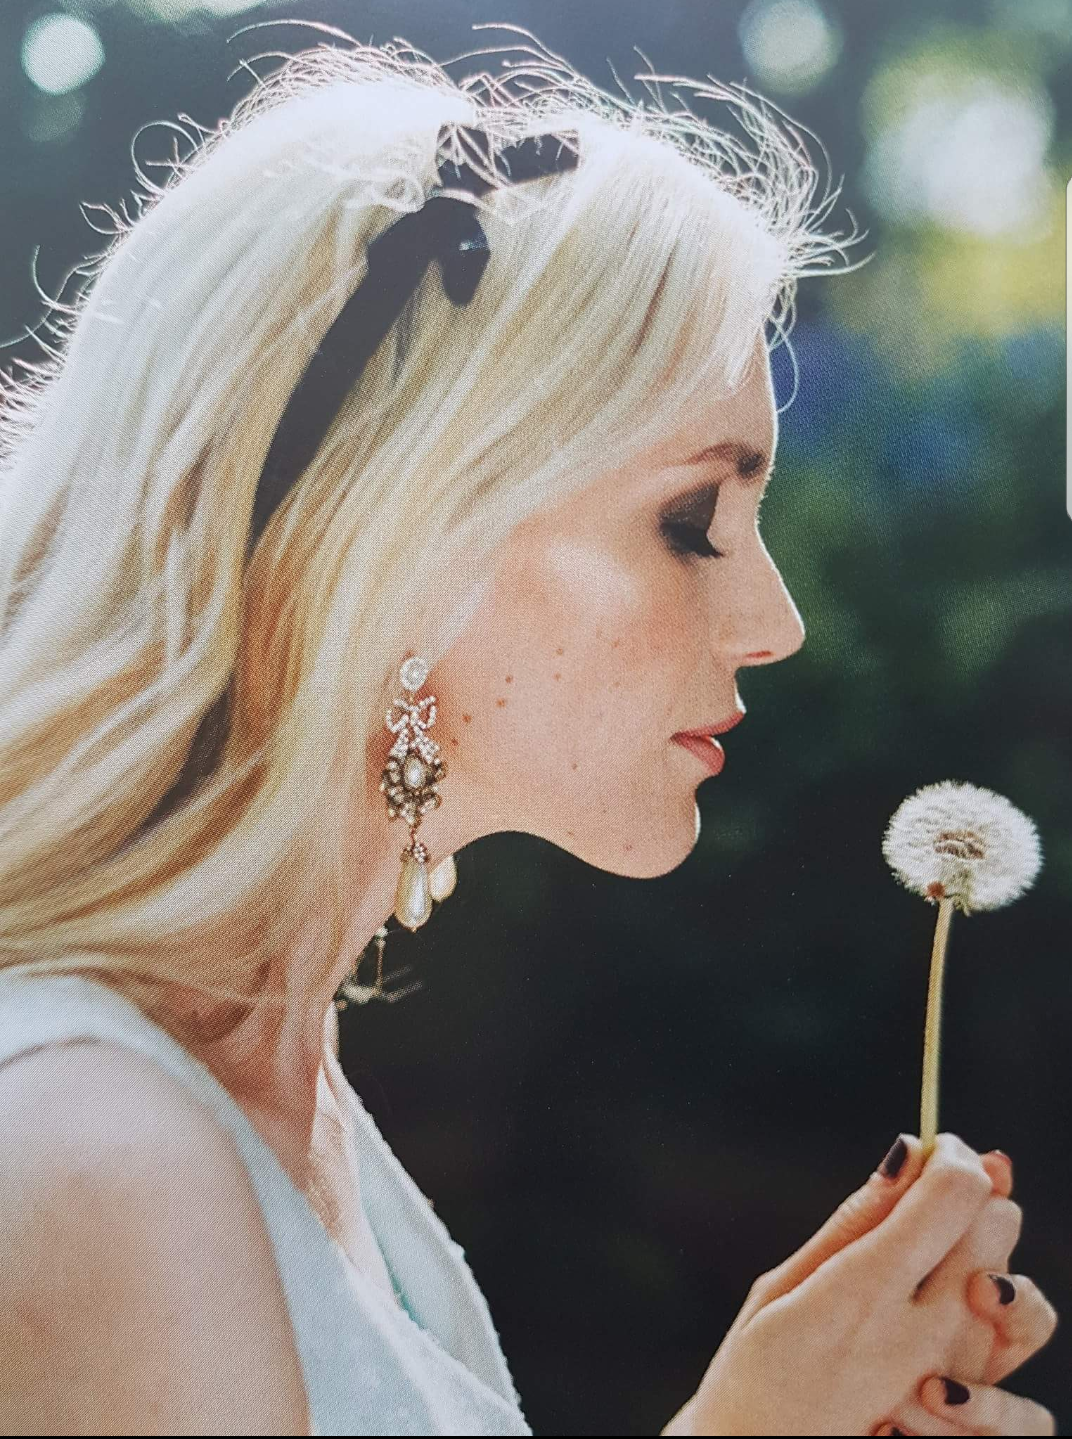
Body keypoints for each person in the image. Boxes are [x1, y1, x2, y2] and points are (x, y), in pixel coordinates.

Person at [0, 26, 1058, 1437]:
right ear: (397, 540)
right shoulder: (95, 1155)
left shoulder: (278, 1079)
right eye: (693, 523)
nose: (778, 619)